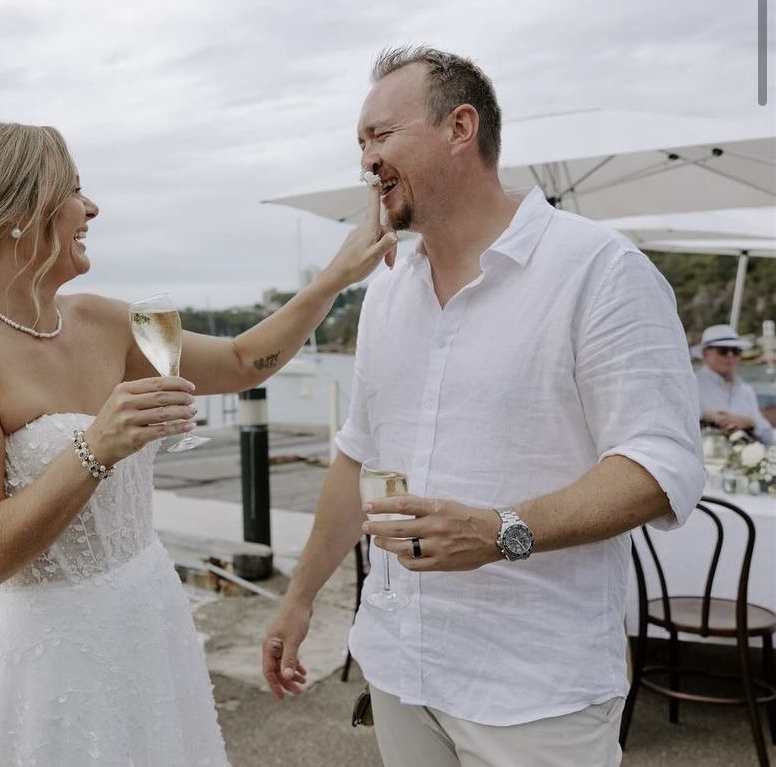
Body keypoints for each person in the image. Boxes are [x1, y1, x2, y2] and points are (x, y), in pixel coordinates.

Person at [261, 46, 704, 767]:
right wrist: (300, 597)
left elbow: (659, 464)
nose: (366, 161)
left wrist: (503, 530)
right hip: (400, 662)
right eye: (359, 144)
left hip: (533, 687)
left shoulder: (600, 270)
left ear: (459, 127)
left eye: (379, 136)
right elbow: (357, 456)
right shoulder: (386, 290)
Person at [0, 122, 394, 766]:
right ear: (21, 214)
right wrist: (96, 448)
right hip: (49, 658)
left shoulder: (103, 319)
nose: (92, 208)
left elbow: (246, 362)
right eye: (75, 190)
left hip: (146, 614)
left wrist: (335, 276)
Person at [693, 323, 773, 445]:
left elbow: (769, 436)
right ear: (705, 354)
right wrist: (706, 416)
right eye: (723, 351)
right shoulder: (692, 384)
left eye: (735, 351)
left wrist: (751, 423)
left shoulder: (746, 390)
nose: (730, 356)